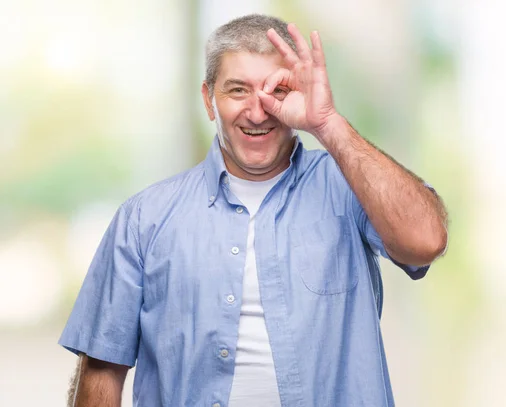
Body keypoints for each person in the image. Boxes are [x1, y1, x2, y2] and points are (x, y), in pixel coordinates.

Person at [60, 13, 448, 407]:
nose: (258, 111)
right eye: (238, 90)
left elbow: (426, 241)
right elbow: (102, 369)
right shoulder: (143, 220)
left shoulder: (350, 189)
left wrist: (329, 124)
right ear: (209, 100)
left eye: (276, 91)